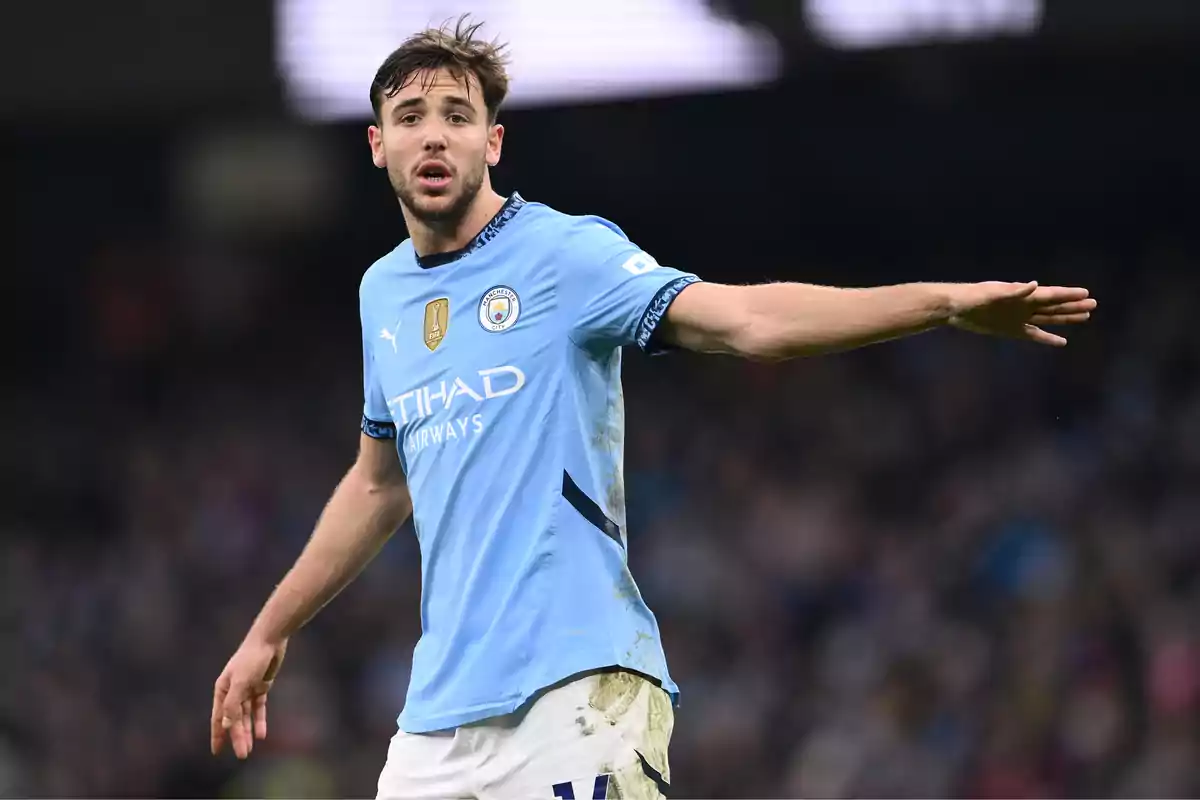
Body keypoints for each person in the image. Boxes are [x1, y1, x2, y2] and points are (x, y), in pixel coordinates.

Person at [210, 16, 1096, 799]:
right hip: (438, 720)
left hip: (577, 691)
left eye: (457, 116)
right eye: (411, 118)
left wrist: (939, 301)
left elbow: (748, 320)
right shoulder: (384, 295)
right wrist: (266, 634)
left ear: (494, 142)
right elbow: (378, 484)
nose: (433, 136)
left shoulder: (565, 255)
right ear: (376, 145)